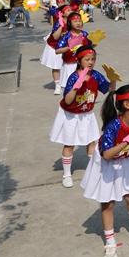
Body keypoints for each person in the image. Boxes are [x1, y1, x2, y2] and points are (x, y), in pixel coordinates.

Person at [81, 84, 129, 257]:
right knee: (108, 204)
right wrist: (125, 143)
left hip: (125, 162)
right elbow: (107, 155)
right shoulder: (113, 126)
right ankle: (110, 242)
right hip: (107, 165)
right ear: (127, 105)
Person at [49, 45, 115, 187]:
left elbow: (109, 89)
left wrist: (113, 80)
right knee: (69, 144)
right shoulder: (73, 77)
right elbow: (67, 100)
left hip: (86, 114)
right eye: (87, 59)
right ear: (79, 61)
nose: (90, 62)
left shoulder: (96, 75)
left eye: (93, 59)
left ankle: (93, 171)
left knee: (91, 142)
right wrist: (76, 87)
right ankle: (67, 174)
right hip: (71, 115)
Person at [41, 4, 73, 95]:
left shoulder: (73, 22)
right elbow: (55, 37)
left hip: (66, 46)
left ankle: (69, 82)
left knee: (68, 65)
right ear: (62, 14)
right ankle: (57, 86)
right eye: (68, 10)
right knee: (56, 66)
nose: (71, 12)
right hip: (55, 46)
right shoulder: (59, 22)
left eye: (71, 10)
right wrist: (61, 26)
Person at [55, 13, 91, 86]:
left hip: (83, 65)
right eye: (75, 21)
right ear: (69, 23)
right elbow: (57, 51)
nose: (78, 23)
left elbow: (90, 48)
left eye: (80, 21)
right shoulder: (67, 36)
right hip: (70, 66)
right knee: (70, 89)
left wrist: (95, 42)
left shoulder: (85, 34)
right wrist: (69, 47)